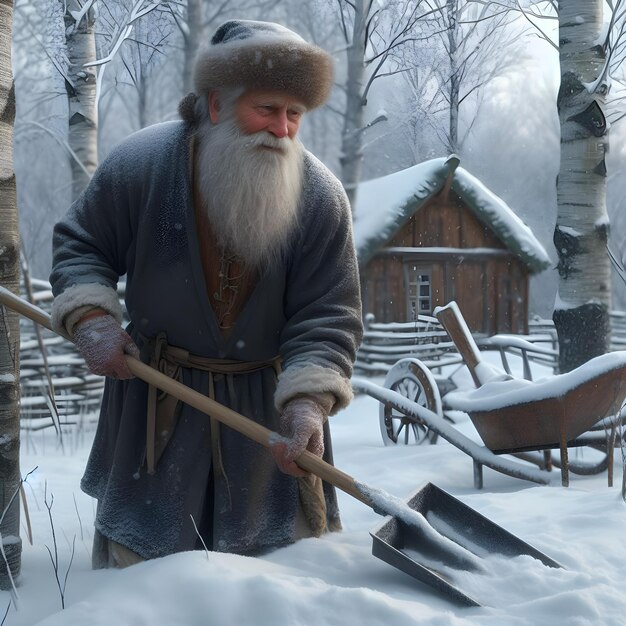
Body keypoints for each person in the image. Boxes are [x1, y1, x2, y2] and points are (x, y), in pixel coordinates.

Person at [49, 19, 363, 568]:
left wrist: (308, 405)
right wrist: (93, 319)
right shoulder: (141, 165)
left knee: (277, 580)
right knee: (143, 583)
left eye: (294, 114)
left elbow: (329, 313)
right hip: (157, 406)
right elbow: (81, 244)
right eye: (266, 109)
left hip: (266, 422)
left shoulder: (320, 198)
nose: (282, 129)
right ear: (216, 104)